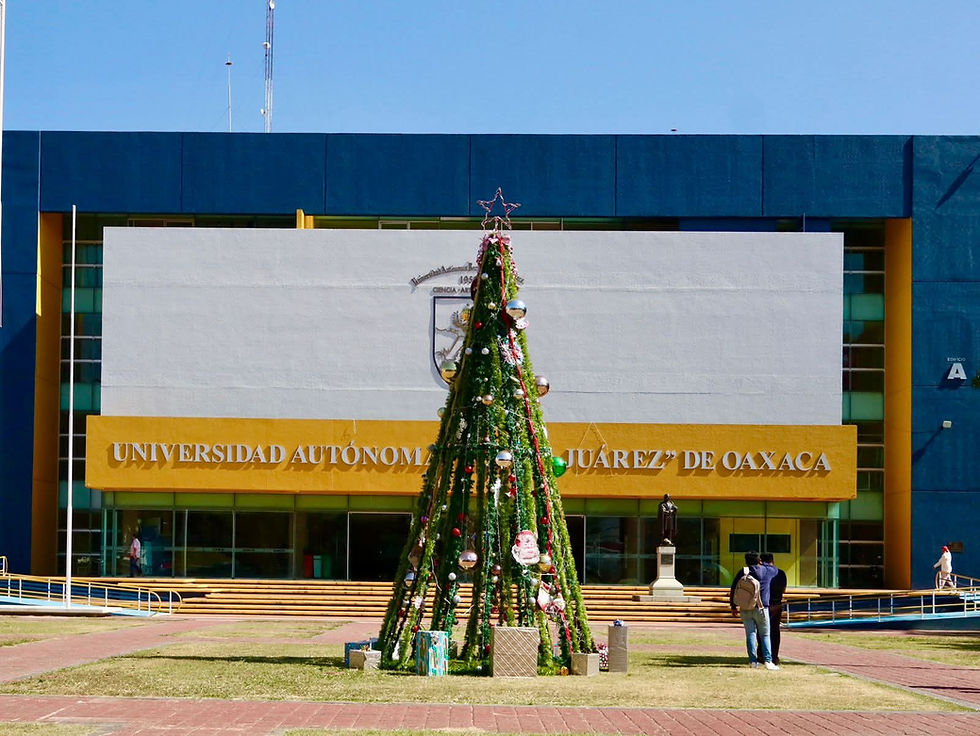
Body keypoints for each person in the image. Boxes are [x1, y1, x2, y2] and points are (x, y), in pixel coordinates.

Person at [730, 550, 778, 670]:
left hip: (745, 608)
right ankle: (768, 661)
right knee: (765, 634)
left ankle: (752, 661)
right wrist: (763, 563)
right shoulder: (767, 570)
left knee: (750, 634)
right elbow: (775, 569)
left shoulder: (744, 571)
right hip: (761, 608)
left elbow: (734, 588)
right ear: (759, 560)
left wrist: (733, 606)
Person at [756, 553, 787, 666]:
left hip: (764, 604)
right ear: (773, 560)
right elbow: (784, 590)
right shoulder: (781, 573)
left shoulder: (760, 572)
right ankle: (774, 656)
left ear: (761, 561)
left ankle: (761, 655)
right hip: (777, 605)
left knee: (762, 631)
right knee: (775, 631)